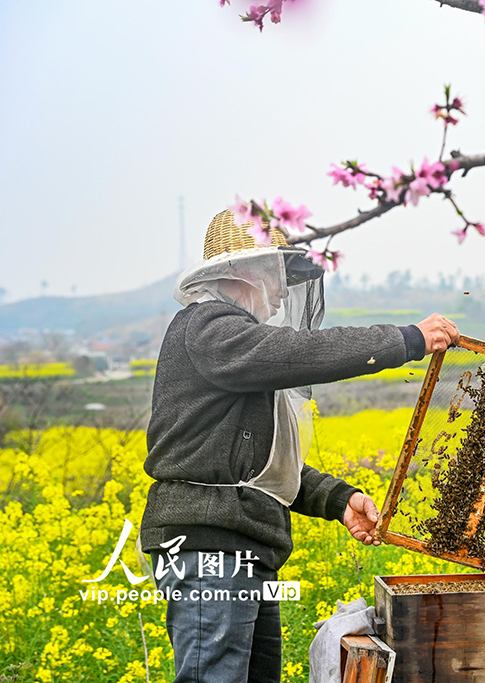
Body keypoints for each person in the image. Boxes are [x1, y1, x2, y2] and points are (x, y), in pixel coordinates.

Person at [140, 210, 460, 683]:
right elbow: (298, 352)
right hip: (211, 548)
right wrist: (405, 340)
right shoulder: (209, 328)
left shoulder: (233, 349)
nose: (281, 294)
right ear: (245, 272)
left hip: (242, 547)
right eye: (277, 276)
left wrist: (338, 499)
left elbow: (261, 466)